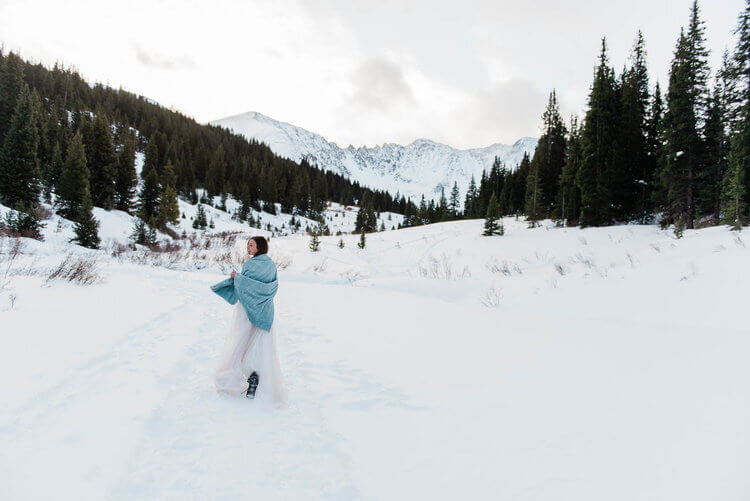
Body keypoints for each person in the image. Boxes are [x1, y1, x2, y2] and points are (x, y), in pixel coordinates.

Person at [211, 236, 287, 406]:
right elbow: (272, 287)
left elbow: (246, 287)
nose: (248, 247)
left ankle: (234, 379)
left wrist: (236, 277)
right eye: (247, 244)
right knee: (261, 346)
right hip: (265, 311)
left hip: (246, 311)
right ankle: (257, 377)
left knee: (240, 342)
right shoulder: (271, 265)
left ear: (259, 247)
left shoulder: (250, 264)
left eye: (251, 245)